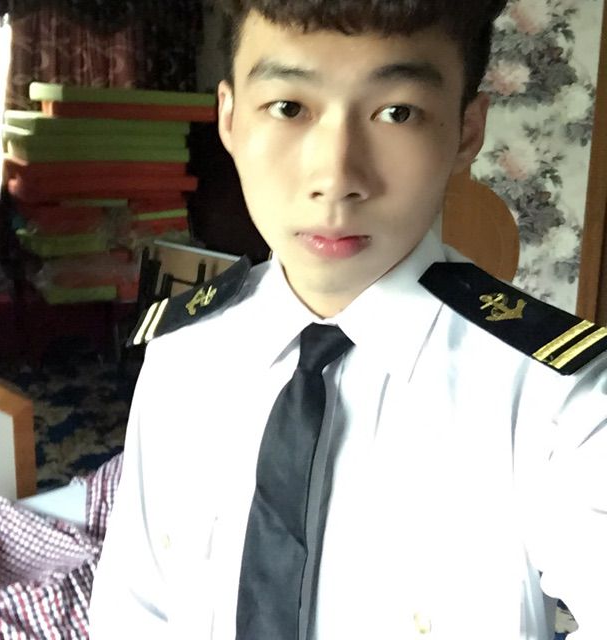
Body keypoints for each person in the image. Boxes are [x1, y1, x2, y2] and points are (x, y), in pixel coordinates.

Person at [89, 1, 607, 638]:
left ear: (466, 131)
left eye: (398, 113)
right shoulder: (184, 349)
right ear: (229, 118)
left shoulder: (561, 401)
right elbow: (135, 604)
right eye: (288, 107)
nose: (335, 178)